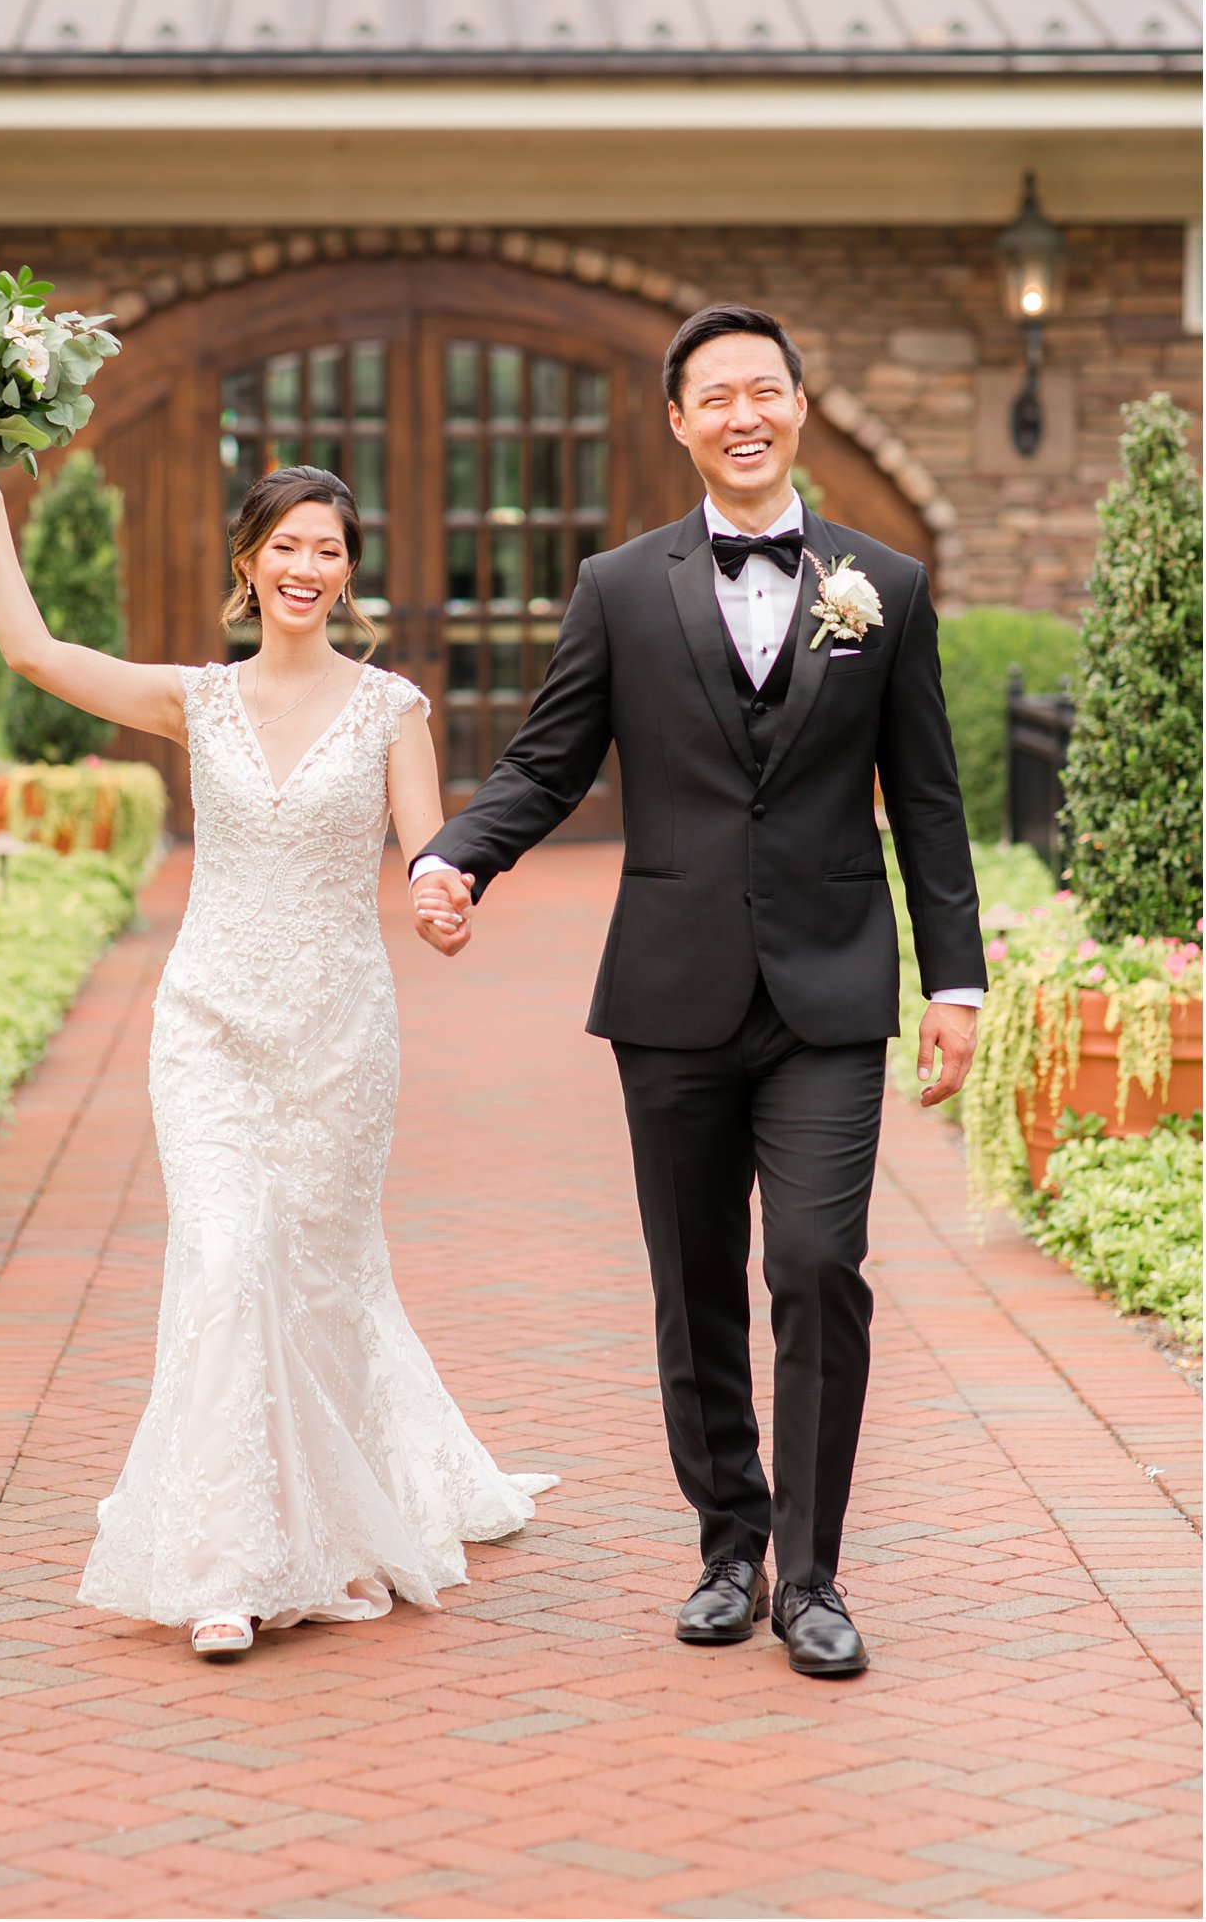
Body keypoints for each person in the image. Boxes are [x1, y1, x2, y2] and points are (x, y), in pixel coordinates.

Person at [409, 302, 985, 1679]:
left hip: (832, 992)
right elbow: (551, 761)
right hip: (670, 989)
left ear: (799, 407)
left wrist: (956, 976)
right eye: (714, 396)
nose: (742, 413)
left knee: (815, 1261)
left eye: (764, 391)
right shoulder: (619, 586)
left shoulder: (885, 588)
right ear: (679, 423)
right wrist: (456, 857)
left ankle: (816, 1572)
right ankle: (730, 1545)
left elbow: (929, 796)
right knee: (695, 1280)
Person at [0, 425, 553, 1659]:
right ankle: (226, 1566)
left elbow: (430, 848)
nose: (306, 567)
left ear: (347, 572)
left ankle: (339, 1497)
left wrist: (444, 896)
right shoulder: (192, 698)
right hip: (208, 1021)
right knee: (223, 1258)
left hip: (335, 1034)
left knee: (313, 1272)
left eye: (327, 549)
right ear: (248, 564)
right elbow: (31, 648)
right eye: (286, 547)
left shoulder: (392, 709)